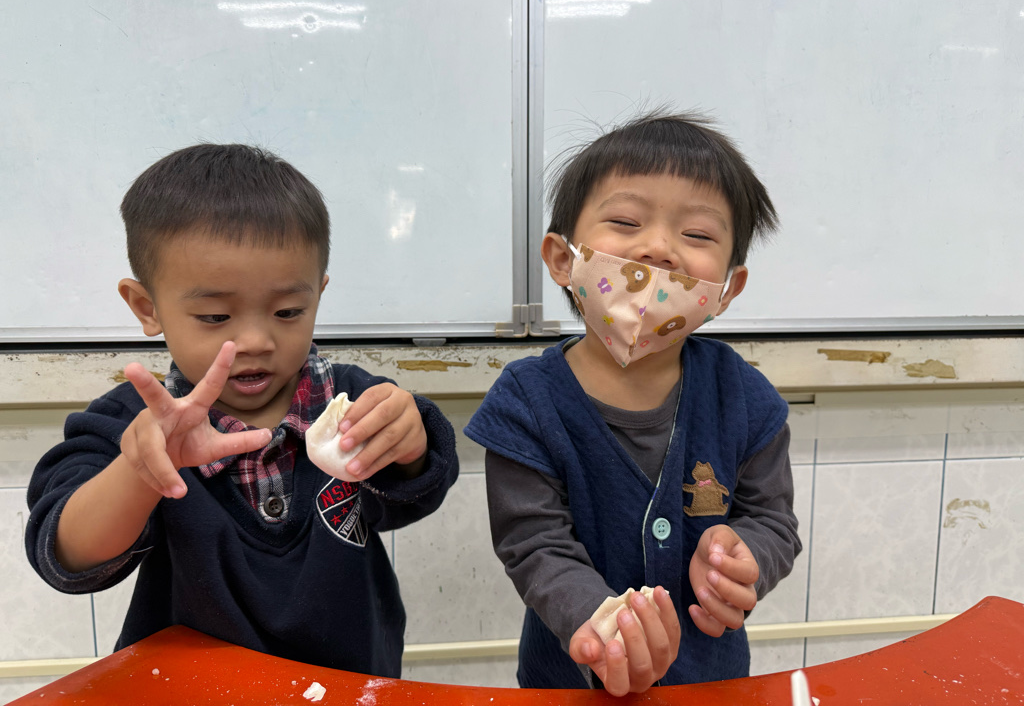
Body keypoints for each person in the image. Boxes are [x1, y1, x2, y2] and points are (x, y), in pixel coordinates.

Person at [25, 144, 459, 676]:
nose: (255, 340)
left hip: (351, 682)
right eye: (214, 317)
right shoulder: (127, 423)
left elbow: (418, 491)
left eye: (288, 311)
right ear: (147, 307)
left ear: (318, 295)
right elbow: (66, 557)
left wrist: (412, 446)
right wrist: (140, 473)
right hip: (187, 690)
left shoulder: (349, 401)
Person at [465, 111, 800, 695]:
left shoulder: (744, 396)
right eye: (625, 222)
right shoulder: (526, 401)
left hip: (709, 685)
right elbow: (533, 543)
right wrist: (601, 627)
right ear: (563, 259)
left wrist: (746, 555)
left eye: (697, 235)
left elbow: (773, 521)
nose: (658, 249)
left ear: (727, 289)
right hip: (570, 683)